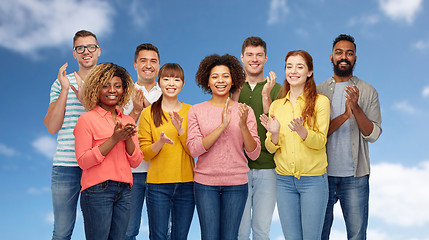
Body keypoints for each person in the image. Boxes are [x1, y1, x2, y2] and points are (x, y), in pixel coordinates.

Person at [187, 54, 261, 240]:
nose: (221, 80)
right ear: (207, 81)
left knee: (230, 237)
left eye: (225, 76)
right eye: (215, 76)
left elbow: (254, 153)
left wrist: (243, 125)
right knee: (210, 236)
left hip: (236, 184)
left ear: (233, 79)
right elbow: (194, 149)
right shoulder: (196, 110)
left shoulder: (245, 111)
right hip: (205, 185)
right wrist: (222, 126)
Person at [260, 50, 330, 240]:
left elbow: (321, 141)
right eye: (289, 66)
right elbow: (271, 146)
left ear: (309, 72)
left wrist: (303, 132)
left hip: (313, 181)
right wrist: (274, 134)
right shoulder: (276, 105)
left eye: (300, 67)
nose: (293, 71)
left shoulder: (321, 102)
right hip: (284, 182)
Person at [317, 34, 382, 240]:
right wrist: (345, 115)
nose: (343, 57)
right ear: (331, 57)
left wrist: (355, 108)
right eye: (339, 52)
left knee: (356, 235)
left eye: (349, 53)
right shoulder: (318, 92)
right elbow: (316, 134)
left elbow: (372, 135)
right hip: (321, 175)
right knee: (319, 234)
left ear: (355, 58)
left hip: (355, 177)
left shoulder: (367, 91)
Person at [74, 63, 144, 240]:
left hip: (125, 191)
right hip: (98, 191)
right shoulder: (86, 120)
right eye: (105, 85)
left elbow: (135, 161)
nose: (112, 90)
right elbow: (83, 161)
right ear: (96, 89)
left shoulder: (128, 120)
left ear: (124, 89)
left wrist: (127, 136)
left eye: (117, 86)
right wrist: (114, 139)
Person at [43, 30, 100, 240]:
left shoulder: (109, 83)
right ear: (74, 53)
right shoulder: (60, 83)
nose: (86, 51)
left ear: (98, 51)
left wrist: (88, 100)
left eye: (91, 46)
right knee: (62, 230)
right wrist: (66, 90)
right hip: (66, 165)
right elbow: (51, 126)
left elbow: (109, 123)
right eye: (80, 48)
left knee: (97, 232)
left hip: (97, 166)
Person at [139, 63, 195, 240]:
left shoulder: (191, 111)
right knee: (158, 236)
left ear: (183, 84)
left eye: (176, 79)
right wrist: (160, 142)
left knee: (180, 236)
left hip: (187, 184)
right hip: (157, 185)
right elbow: (145, 153)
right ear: (159, 82)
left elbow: (194, 151)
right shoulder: (148, 113)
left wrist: (180, 132)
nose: (171, 83)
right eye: (166, 79)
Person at [233, 36, 281, 240]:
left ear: (266, 58)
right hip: (237, 170)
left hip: (268, 168)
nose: (254, 59)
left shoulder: (278, 90)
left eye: (259, 55)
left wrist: (266, 97)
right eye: (250, 55)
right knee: (240, 232)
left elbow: (279, 127)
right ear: (241, 57)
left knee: (262, 231)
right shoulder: (230, 87)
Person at [124, 43, 162, 240]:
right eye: (143, 60)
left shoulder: (167, 91)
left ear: (158, 65)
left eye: (153, 61)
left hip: (160, 172)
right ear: (135, 65)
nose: (148, 65)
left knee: (160, 232)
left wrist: (145, 107)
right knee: (129, 230)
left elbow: (165, 128)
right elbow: (118, 129)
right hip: (132, 172)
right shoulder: (123, 93)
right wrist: (136, 110)